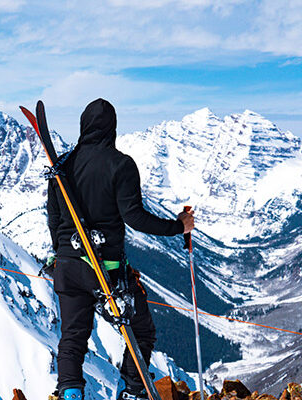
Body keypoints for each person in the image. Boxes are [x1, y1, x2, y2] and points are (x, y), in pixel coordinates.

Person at [47, 98, 195, 400]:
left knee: (73, 337)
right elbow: (134, 217)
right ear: (112, 128)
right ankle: (133, 391)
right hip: (107, 269)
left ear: (82, 127)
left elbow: (54, 219)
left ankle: (70, 394)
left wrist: (61, 254)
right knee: (141, 330)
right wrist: (179, 226)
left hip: (67, 265)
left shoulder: (60, 166)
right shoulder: (121, 165)